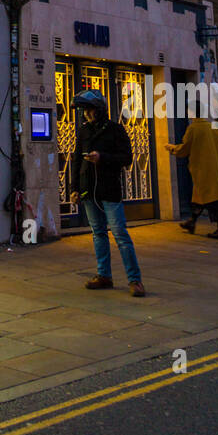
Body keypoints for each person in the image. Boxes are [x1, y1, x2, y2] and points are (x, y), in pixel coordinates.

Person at [71, 88, 145, 297]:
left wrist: (102, 157)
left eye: (90, 110)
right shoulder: (84, 130)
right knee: (98, 233)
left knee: (120, 234)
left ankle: (135, 279)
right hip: (89, 189)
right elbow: (77, 159)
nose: (87, 114)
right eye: (85, 111)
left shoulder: (115, 130)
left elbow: (126, 158)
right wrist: (74, 188)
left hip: (109, 188)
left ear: (100, 110)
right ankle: (104, 275)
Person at [166, 112, 218, 238]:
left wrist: (172, 148)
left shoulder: (194, 128)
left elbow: (185, 148)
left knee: (211, 200)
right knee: (199, 197)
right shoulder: (211, 127)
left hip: (203, 170)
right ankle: (192, 221)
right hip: (215, 168)